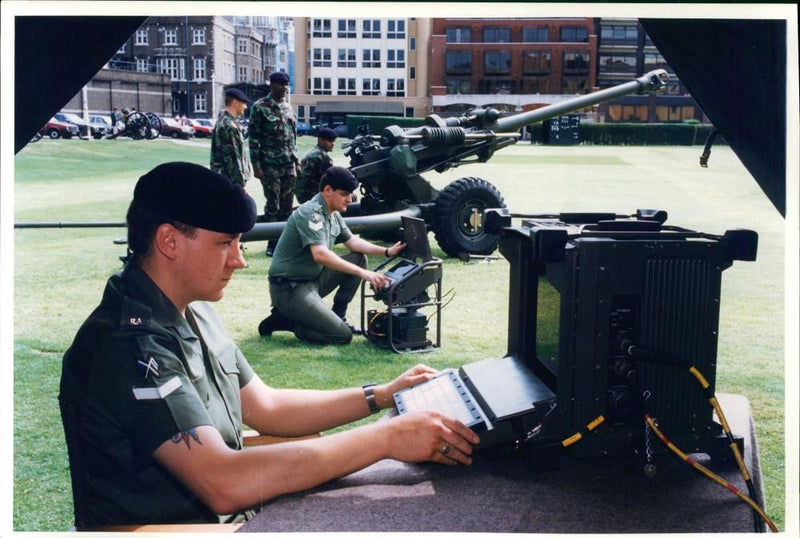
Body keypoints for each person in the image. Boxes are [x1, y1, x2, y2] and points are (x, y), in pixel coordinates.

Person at [59, 161, 479, 527]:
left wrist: (382, 395)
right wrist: (385, 439)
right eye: (225, 244)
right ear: (169, 241)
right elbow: (224, 482)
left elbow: (266, 407)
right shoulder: (127, 343)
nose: (239, 261)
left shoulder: (190, 308)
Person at [258, 166, 405, 345]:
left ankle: (338, 316)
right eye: (344, 194)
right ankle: (287, 322)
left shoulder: (332, 213)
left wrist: (387, 251)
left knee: (358, 258)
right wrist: (365, 274)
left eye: (350, 194)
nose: (350, 199)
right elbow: (320, 255)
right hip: (289, 288)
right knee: (342, 336)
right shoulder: (311, 213)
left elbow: (353, 243)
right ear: (328, 190)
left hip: (311, 281)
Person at [248, 71, 299, 256]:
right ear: (272, 85)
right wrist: (257, 166)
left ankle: (284, 243)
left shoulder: (287, 107)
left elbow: (293, 137)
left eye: (286, 84)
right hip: (270, 165)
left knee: (287, 206)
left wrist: (297, 161)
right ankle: (272, 244)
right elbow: (253, 139)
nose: (284, 88)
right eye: (280, 84)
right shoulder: (259, 107)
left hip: (288, 164)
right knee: (273, 205)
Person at [210, 87, 252, 187]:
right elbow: (233, 159)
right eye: (243, 103)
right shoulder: (229, 126)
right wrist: (239, 185)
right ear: (235, 103)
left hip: (223, 180)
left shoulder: (226, 121)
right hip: (229, 182)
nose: (245, 107)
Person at [295, 127, 337, 204]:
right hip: (310, 195)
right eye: (330, 141)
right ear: (321, 140)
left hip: (301, 193)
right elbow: (332, 178)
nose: (333, 144)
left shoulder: (313, 152)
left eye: (333, 141)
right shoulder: (322, 156)